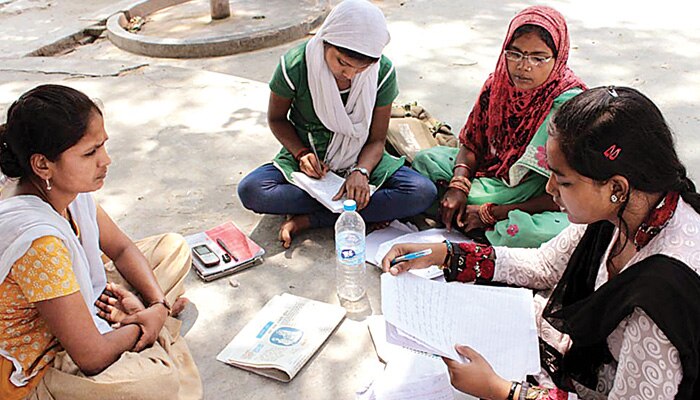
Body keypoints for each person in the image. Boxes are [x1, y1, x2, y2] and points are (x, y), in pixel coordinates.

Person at [382, 87, 700, 399]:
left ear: (615, 187)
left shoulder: (662, 296)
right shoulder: (628, 208)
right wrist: (448, 254)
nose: (550, 189)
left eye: (563, 180)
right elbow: (547, 266)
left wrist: (501, 391)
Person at [0, 85, 202, 400]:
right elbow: (91, 357)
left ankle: (143, 328)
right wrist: (145, 323)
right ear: (42, 165)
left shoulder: (68, 193)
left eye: (102, 146)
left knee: (172, 249)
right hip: (43, 363)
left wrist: (156, 304)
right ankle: (152, 336)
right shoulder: (38, 241)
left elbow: (121, 248)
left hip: (80, 304)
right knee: (155, 384)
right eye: (90, 153)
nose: (105, 160)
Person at [237, 0, 436, 248]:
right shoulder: (296, 66)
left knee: (422, 192)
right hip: (311, 162)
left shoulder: (382, 72)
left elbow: (376, 140)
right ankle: (356, 211)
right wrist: (301, 153)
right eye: (342, 62)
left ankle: (311, 219)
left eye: (362, 67)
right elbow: (277, 119)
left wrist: (361, 172)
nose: (350, 75)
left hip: (362, 158)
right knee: (253, 190)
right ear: (325, 40)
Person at [412, 6, 586, 248]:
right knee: (426, 161)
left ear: (558, 58)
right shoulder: (497, 86)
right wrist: (459, 185)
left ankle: (475, 221)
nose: (524, 66)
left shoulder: (568, 106)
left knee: (530, 232)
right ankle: (470, 219)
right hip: (493, 176)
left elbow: (568, 189)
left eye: (538, 58)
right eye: (515, 54)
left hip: (543, 194)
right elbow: (472, 143)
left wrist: (493, 213)